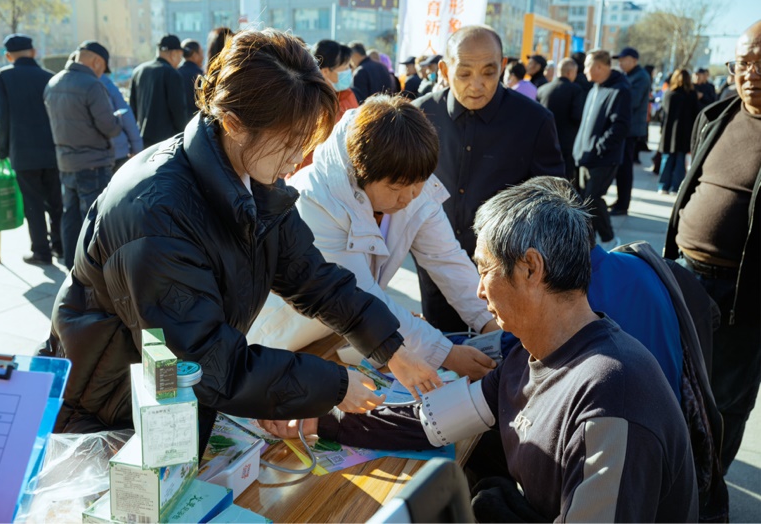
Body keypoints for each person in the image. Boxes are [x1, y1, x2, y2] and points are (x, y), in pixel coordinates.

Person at [47, 29, 442, 457]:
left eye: (305, 141)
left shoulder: (255, 179)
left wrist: (389, 346)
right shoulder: (156, 213)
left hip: (170, 402)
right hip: (107, 413)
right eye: (289, 142)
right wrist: (333, 384)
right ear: (234, 123)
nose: (298, 157)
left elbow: (313, 277)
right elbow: (204, 361)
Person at [262, 176, 698, 523]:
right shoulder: (530, 358)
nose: (478, 290)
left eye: (485, 269)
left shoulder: (612, 394)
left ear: (530, 268)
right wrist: (321, 418)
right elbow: (430, 421)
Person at [248, 96, 497, 379]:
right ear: (362, 172)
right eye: (397, 188)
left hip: (343, 333)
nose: (410, 197)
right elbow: (360, 293)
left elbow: (446, 259)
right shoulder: (316, 201)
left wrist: (490, 320)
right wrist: (445, 353)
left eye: (419, 184)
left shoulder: (408, 173)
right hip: (281, 337)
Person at [412, 25, 563, 332]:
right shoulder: (420, 115)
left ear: (503, 66)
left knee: (501, 350)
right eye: (464, 73)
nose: (476, 85)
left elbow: (553, 207)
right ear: (444, 69)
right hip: (435, 263)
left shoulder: (533, 121)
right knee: (445, 344)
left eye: (489, 72)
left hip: (505, 270)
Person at [665, 20, 761, 473]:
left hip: (744, 295)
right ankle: (672, 481)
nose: (750, 73)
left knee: (725, 402)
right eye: (743, 63)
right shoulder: (716, 116)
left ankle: (707, 492)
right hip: (685, 275)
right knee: (670, 382)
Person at [44, 41, 122, 270]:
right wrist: (117, 119)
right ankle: (93, 272)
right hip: (93, 163)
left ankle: (73, 268)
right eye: (103, 67)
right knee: (95, 221)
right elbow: (109, 126)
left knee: (70, 218)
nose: (102, 73)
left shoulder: (53, 82)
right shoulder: (91, 85)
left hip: (66, 163)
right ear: (97, 61)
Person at [0, 34, 63, 264]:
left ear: (8, 56)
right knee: (56, 202)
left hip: (22, 151)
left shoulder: (3, 78)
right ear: (33, 52)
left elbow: (1, 118)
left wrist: (1, 150)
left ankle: (41, 251)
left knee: (32, 204)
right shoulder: (49, 77)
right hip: (53, 150)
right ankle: (60, 245)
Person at [573, 49, 631, 250]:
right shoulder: (594, 88)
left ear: (599, 67)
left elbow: (620, 127)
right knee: (583, 202)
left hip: (603, 158)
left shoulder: (620, 90)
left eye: (587, 66)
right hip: (584, 156)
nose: (584, 71)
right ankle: (588, 243)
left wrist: (599, 148)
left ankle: (609, 241)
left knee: (592, 199)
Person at [296, 39, 358, 170]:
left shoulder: (346, 94)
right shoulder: (310, 102)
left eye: (349, 67)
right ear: (325, 71)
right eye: (344, 68)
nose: (349, 72)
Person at [610, 47, 651, 216]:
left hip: (630, 130)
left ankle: (623, 204)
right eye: (619, 60)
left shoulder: (640, 77)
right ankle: (620, 200)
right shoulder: (629, 75)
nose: (620, 63)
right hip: (627, 128)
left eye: (623, 59)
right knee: (621, 167)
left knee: (625, 168)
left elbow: (631, 102)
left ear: (634, 60)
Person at [129, 34, 188, 147]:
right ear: (173, 54)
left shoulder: (138, 71)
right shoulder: (172, 73)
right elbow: (178, 111)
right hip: (165, 143)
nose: (181, 60)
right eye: (180, 55)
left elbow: (132, 108)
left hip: (142, 139)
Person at [537, 57, 585, 181]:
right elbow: (577, 116)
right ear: (570, 72)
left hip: (544, 140)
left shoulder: (542, 89)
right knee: (565, 177)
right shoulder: (575, 89)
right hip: (567, 142)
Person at [657, 69, 699, 194]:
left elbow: (663, 115)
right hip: (685, 132)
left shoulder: (669, 94)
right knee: (680, 160)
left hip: (669, 132)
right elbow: (695, 114)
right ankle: (676, 187)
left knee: (667, 158)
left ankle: (663, 186)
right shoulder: (692, 95)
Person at [101, 72, 143, 172]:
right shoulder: (106, 84)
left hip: (85, 159)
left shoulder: (69, 83)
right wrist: (137, 149)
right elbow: (126, 117)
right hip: (118, 152)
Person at [178, 38, 204, 118]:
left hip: (180, 119)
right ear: (194, 55)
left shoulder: (176, 73)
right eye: (201, 53)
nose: (203, 57)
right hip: (196, 118)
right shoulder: (200, 76)